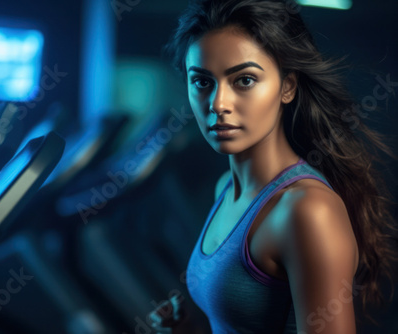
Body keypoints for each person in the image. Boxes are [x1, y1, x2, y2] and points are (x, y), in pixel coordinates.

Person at [161, 0, 398, 333]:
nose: (218, 104)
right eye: (202, 82)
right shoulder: (224, 189)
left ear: (287, 86)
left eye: (243, 80)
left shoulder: (307, 210)